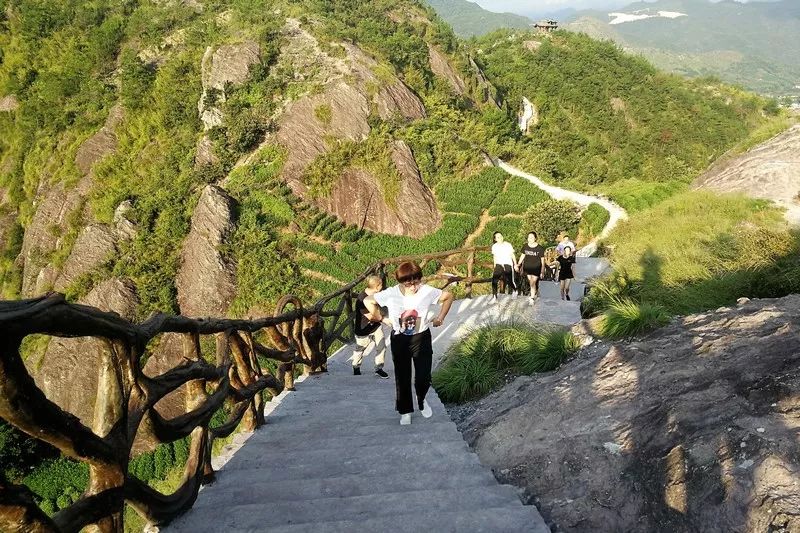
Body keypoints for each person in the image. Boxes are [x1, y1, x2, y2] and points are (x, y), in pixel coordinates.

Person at [365, 262, 454, 426]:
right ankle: (405, 411)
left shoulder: (427, 291)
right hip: (399, 339)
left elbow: (448, 296)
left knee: (423, 376)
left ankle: (421, 398)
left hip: (422, 337)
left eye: (416, 282)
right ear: (400, 281)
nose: (413, 286)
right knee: (402, 376)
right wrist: (382, 319)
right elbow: (368, 301)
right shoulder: (391, 293)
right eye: (408, 283)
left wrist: (440, 318)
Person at [351, 275, 389, 378]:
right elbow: (371, 317)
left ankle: (379, 368)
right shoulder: (361, 300)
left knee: (381, 346)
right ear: (377, 286)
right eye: (381, 285)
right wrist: (385, 320)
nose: (382, 287)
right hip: (363, 328)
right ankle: (356, 365)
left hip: (375, 326)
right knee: (360, 348)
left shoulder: (376, 295)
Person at [516, 232, 545, 303]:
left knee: (532, 282)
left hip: (536, 268)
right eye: (529, 237)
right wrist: (518, 264)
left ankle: (532, 298)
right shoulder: (525, 246)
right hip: (527, 267)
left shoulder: (540, 248)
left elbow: (543, 261)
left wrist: (542, 271)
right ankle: (534, 293)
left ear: (535, 238)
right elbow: (522, 255)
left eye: (532, 237)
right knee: (531, 282)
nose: (530, 239)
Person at [491, 232, 516, 301]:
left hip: (507, 263)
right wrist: (494, 266)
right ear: (495, 239)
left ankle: (514, 290)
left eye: (501, 236)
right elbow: (495, 257)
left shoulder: (508, 245)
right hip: (499, 264)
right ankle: (494, 296)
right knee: (494, 280)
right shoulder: (494, 246)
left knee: (509, 280)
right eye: (498, 237)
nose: (500, 238)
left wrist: (515, 264)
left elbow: (512, 255)